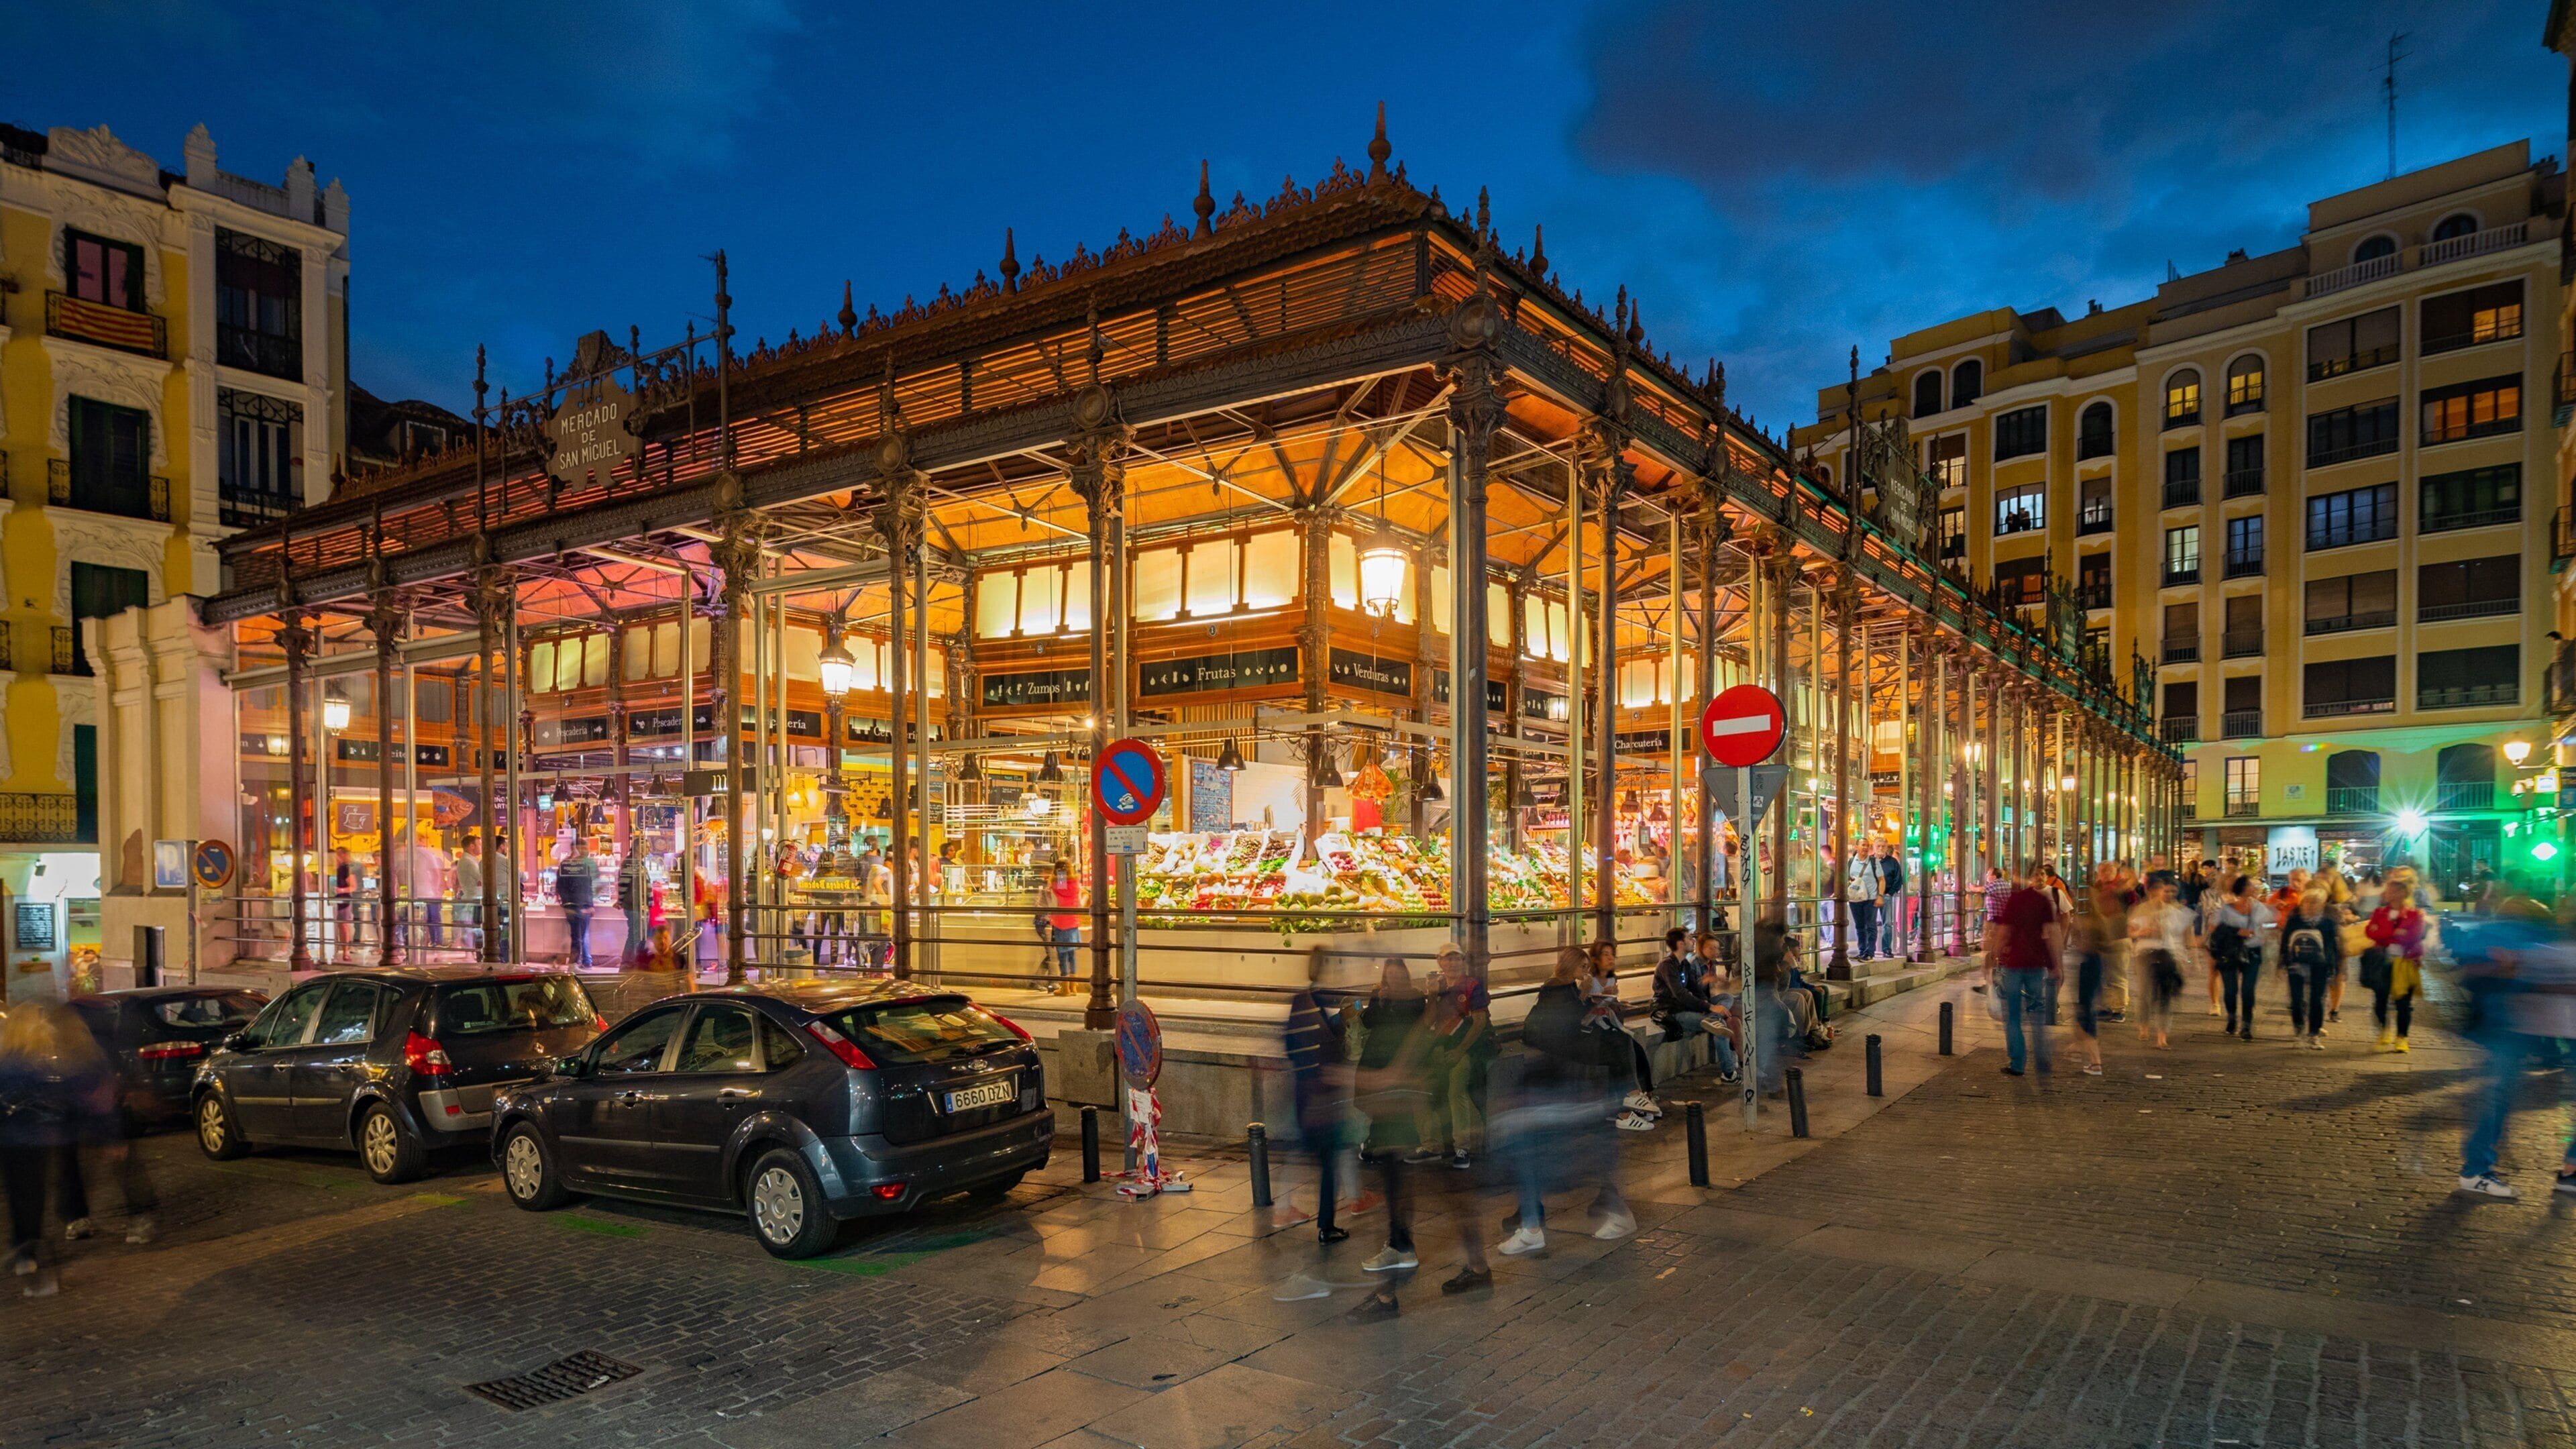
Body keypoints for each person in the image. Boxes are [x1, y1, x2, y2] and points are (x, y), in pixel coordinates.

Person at [1495, 948, 1634, 1259]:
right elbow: (1562, 1028)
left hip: (1567, 1078)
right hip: (1561, 1076)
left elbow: (1568, 1029)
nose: (1586, 972)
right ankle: (1532, 1223)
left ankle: (1609, 1209)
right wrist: (1587, 1001)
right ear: (1570, 966)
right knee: (1544, 1149)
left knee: (1570, 1152)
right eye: (1582, 966)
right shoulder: (1559, 990)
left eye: (1588, 967)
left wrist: (1591, 1004)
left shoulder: (1567, 992)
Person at [2454, 896, 2575, 1199]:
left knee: (2497, 1100)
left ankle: (2571, 1169)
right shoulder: (2535, 936)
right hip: (2515, 1028)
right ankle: (2476, 1169)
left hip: (2524, 1029)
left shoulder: (2542, 935)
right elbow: (2482, 972)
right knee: (2496, 1100)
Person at [0, 1003, 118, 1297]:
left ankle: (25, 1250)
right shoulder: (47, 1061)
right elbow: (77, 1095)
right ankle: (35, 1246)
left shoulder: (6, 1061)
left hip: (13, 1140)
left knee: (21, 1196)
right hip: (45, 1137)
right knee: (38, 1193)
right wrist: (105, 1133)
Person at [1346, 957, 1432, 1316]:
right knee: (1393, 1171)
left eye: (1399, 975)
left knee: (1397, 1173)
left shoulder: (1416, 1003)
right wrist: (1371, 1002)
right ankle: (1398, 1248)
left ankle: (1398, 1255)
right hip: (1387, 1088)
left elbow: (1413, 1040)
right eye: (1389, 975)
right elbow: (1366, 1021)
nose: (1393, 980)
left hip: (1397, 1091)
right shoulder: (1383, 1000)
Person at [1281, 947, 1352, 1247]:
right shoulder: (1320, 1004)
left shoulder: (1301, 1001)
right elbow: (1332, 1046)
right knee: (1328, 1162)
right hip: (1320, 1096)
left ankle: (1299, 1213)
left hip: (1305, 1092)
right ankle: (1325, 1225)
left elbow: (1289, 1045)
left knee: (1318, 1158)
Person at [1415, 945, 1493, 1171]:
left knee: (1456, 1089)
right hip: (1442, 1046)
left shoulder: (1471, 987)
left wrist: (1460, 1051)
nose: (1452, 964)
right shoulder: (1439, 986)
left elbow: (1479, 1023)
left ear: (1463, 961)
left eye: (1456, 959)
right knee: (1421, 1086)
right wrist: (1431, 994)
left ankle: (1463, 1147)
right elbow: (1430, 1020)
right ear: (1439, 962)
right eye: (1447, 959)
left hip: (1468, 1048)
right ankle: (1430, 1144)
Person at [1986, 861, 2061, 1077]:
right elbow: (2052, 935)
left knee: (2013, 1016)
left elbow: (2004, 932)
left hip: (2014, 963)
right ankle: (2042, 1059)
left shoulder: (2016, 900)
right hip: (2036, 964)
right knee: (2037, 1014)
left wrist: (1994, 955)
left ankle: (2018, 1063)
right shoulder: (2043, 902)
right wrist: (2055, 964)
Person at [1582, 941, 1657, 1129]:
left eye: (1612, 954)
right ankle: (1629, 1105)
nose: (1610, 958)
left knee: (1637, 1049)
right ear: (1595, 960)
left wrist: (1616, 1002)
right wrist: (1599, 1000)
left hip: (1609, 1023)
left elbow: (1612, 1007)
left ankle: (1646, 1095)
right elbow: (1582, 1008)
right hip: (1595, 1027)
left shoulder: (1612, 980)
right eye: (1605, 954)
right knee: (1623, 1048)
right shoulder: (1588, 981)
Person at [1652, 926, 1739, 1082]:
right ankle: (1728, 1074)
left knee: (1726, 999)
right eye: (1689, 938)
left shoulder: (1684, 964)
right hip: (1673, 1012)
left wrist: (1707, 1005)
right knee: (1720, 1026)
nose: (1693, 941)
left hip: (1689, 1007)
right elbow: (1680, 995)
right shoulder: (1667, 965)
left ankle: (1712, 1019)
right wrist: (1710, 1007)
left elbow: (1694, 990)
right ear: (1680, 944)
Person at [2363, 879, 2428, 1053]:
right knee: (2380, 1001)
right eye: (2388, 890)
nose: (2388, 893)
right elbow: (2370, 932)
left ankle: (2402, 1038)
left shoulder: (2415, 914)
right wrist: (2394, 932)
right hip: (2382, 962)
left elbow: (2413, 937)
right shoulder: (2380, 912)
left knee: (2403, 1004)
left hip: (2405, 962)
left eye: (2392, 890)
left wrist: (2384, 934)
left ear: (2403, 893)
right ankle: (2385, 1030)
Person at [2128, 875, 2192, 1049]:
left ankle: (2162, 1036)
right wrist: (2143, 932)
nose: (2165, 894)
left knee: (2165, 994)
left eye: (2169, 891)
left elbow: (2185, 936)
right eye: (2162, 891)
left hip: (2168, 955)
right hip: (2145, 954)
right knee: (2145, 993)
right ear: (2151, 892)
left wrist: (2186, 959)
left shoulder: (2177, 910)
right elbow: (2131, 932)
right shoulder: (2141, 909)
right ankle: (2144, 1027)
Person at [2210, 875, 2271, 1040]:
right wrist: (2236, 932)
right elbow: (2215, 930)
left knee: (2248, 990)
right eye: (2251, 885)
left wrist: (2265, 933)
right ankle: (2231, 1018)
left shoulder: (2260, 908)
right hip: (2230, 952)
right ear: (2243, 888)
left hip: (2253, 951)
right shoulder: (2227, 910)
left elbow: (2269, 924)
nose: (2255, 887)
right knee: (2230, 990)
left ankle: (2246, 1025)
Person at [2279, 884, 2339, 1049]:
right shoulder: (2294, 920)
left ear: (2322, 905)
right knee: (2297, 1000)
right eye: (2308, 902)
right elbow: (2285, 942)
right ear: (2302, 902)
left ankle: (2313, 1034)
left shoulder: (2327, 923)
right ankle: (2299, 1032)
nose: (2311, 905)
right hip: (2296, 965)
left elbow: (2332, 947)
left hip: (2319, 966)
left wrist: (2333, 968)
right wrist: (2282, 964)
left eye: (2315, 902)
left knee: (2316, 1001)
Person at [2065, 879, 2109, 1075]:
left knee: (2085, 1012)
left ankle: (2095, 1062)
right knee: (2084, 1008)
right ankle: (2076, 1047)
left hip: (2088, 966)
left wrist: (2074, 932)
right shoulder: (2100, 920)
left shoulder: (2085, 922)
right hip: (2097, 965)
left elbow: (2082, 945)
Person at [555, 837, 598, 969]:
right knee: (579, 936)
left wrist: (566, 903)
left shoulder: (565, 865)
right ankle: (576, 964)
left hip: (574, 905)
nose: (583, 851)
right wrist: (589, 905)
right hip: (580, 905)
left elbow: (560, 886)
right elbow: (588, 886)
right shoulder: (582, 866)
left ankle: (576, 963)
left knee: (577, 936)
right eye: (581, 848)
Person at [1043, 862, 1082, 994]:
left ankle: (1065, 988)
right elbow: (1080, 904)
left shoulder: (1057, 885)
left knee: (1062, 956)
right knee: (1072, 956)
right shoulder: (1076, 885)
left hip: (1060, 924)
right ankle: (1074, 987)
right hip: (1073, 923)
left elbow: (1054, 905)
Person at [1842, 847, 1882, 963]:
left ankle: (1870, 953)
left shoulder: (1874, 862)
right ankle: (1862, 951)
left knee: (1870, 926)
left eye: (1867, 845)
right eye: (1863, 845)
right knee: (1860, 926)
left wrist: (1880, 896)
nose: (1865, 847)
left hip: (1871, 898)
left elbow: (1881, 880)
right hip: (1856, 898)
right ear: (1857, 847)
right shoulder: (1850, 862)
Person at [451, 835, 485, 957]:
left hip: (472, 898)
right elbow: (481, 879)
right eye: (479, 844)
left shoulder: (470, 861)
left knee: (474, 929)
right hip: (474, 899)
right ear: (472, 846)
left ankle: (473, 953)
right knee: (477, 930)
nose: (481, 847)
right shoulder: (469, 862)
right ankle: (476, 954)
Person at [620, 845, 651, 965]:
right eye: (646, 847)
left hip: (640, 905)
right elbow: (624, 883)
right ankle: (627, 962)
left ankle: (635, 961)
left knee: (639, 935)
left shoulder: (639, 863)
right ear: (639, 848)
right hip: (634, 905)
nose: (649, 849)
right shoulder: (631, 863)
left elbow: (646, 885)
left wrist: (650, 902)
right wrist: (622, 900)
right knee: (635, 935)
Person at [1876, 842, 1908, 959]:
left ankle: (1886, 949)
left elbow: (1898, 879)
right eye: (1878, 846)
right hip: (1870, 896)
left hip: (1886, 896)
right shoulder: (1869, 861)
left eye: (1883, 846)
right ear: (1874, 847)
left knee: (1887, 924)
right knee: (1869, 924)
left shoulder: (1892, 862)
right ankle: (1868, 950)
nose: (1880, 848)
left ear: (1886, 848)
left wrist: (1890, 893)